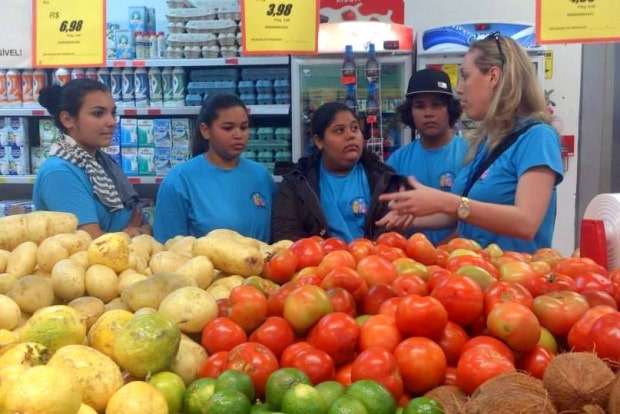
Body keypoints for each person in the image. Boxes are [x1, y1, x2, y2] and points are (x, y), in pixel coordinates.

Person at [379, 33, 563, 253]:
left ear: (493, 76)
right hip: (475, 275)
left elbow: (526, 222)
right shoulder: (487, 142)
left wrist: (445, 201)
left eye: (465, 76)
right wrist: (412, 216)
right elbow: (466, 215)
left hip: (515, 281)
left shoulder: (537, 137)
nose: (459, 89)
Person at [33, 79, 149, 238]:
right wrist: (129, 233)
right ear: (67, 119)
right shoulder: (59, 173)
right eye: (98, 113)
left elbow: (143, 223)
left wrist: (136, 231)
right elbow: (91, 244)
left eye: (112, 113)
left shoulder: (100, 161)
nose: (112, 122)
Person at [272, 101, 401, 243]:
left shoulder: (384, 179)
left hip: (372, 262)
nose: (350, 135)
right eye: (339, 130)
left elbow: (393, 236)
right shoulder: (296, 183)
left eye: (355, 128)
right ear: (319, 141)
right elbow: (285, 237)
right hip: (317, 263)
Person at [154, 94, 275, 243]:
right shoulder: (179, 181)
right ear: (205, 130)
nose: (238, 135)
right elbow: (168, 249)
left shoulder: (261, 176)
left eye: (243, 127)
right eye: (228, 128)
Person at [387, 68, 467, 245]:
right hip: (411, 264)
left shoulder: (471, 154)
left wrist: (442, 250)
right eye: (420, 106)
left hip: (462, 259)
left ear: (450, 109)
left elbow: (476, 215)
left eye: (436, 105)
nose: (428, 113)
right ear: (410, 112)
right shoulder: (396, 161)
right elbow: (391, 218)